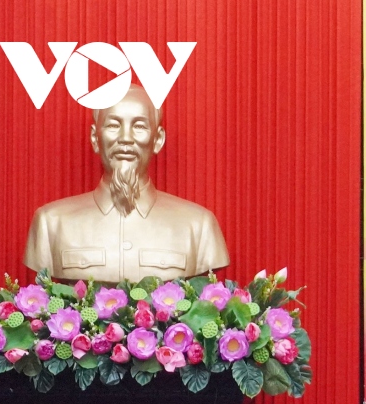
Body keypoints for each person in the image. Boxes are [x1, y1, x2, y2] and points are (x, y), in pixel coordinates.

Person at [24, 84, 228, 282]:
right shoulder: (51, 223)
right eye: (114, 125)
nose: (125, 138)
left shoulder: (198, 226)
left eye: (139, 126)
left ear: (158, 139)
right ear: (95, 138)